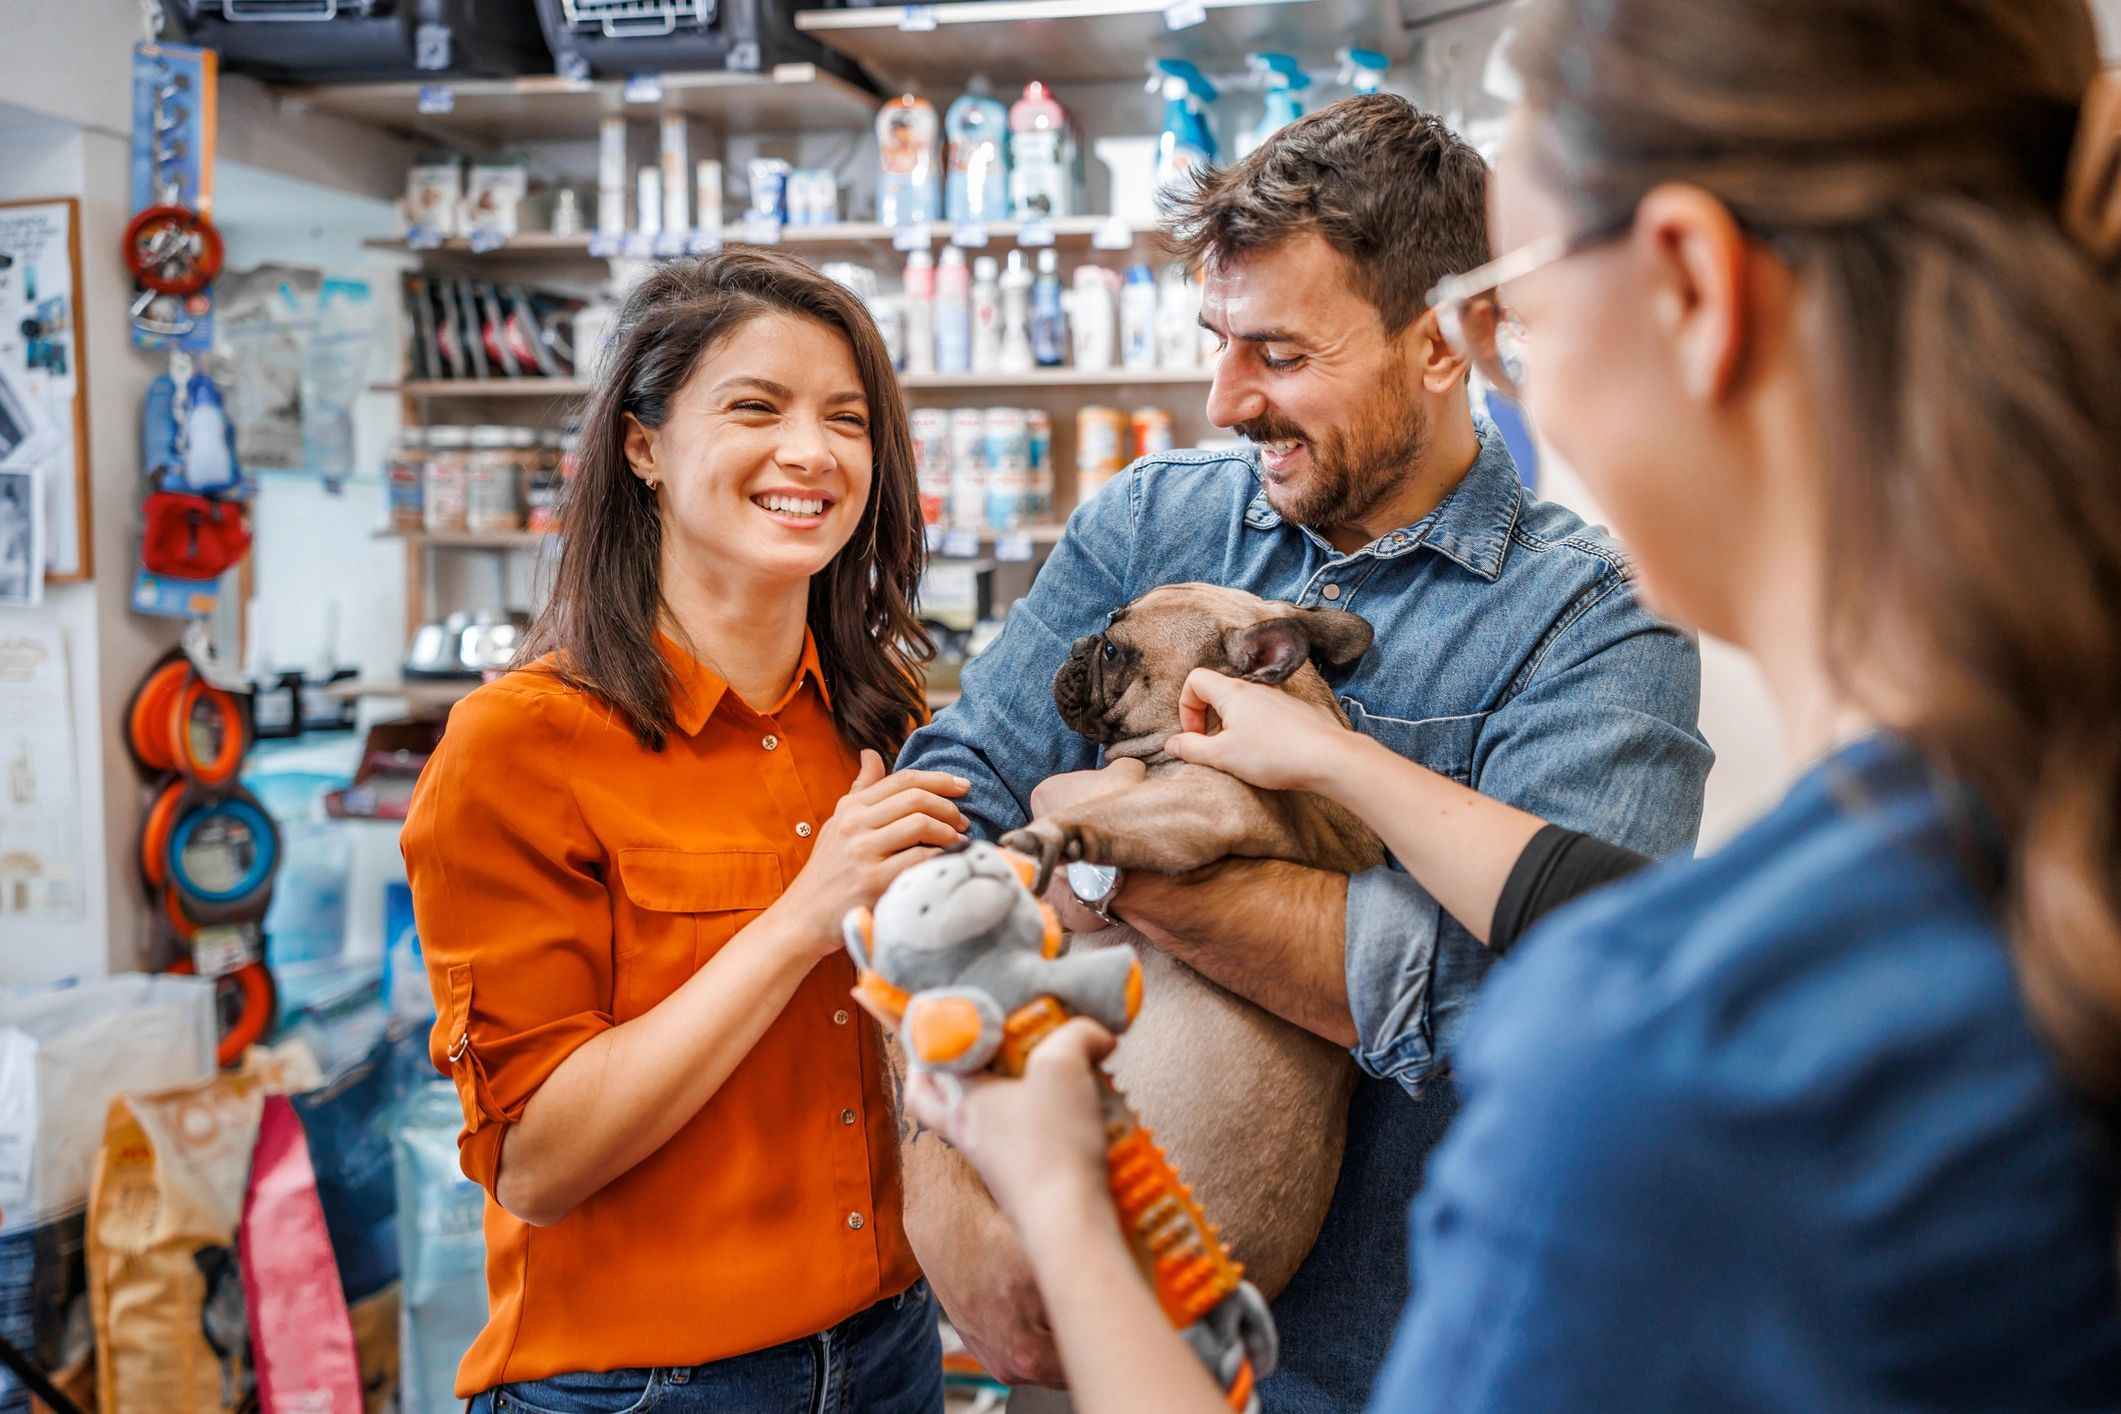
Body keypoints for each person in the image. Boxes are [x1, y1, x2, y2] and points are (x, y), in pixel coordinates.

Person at [904, 0, 2121, 1407]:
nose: (1228, 400)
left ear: (1687, 290)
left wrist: (1061, 1162)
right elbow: (1561, 895)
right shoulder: (2013, 872)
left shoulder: (1657, 1043)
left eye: (1522, 305)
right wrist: (1330, 790)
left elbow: (1525, 975)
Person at [897, 94, 1712, 1409]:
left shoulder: (1592, 620)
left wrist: (1121, 861)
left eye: (1276, 351)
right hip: (1100, 1343)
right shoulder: (1143, 528)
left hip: (1413, 1364)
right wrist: (947, 1205)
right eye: (1218, 340)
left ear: (1446, 343)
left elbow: (1544, 1009)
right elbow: (935, 821)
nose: (1225, 398)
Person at [401, 251, 968, 1412]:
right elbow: (539, 1164)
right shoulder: (518, 745)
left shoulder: (881, 723)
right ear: (644, 445)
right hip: (641, 1388)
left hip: (893, 1349)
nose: (811, 451)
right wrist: (807, 916)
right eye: (756, 406)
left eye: (847, 418)